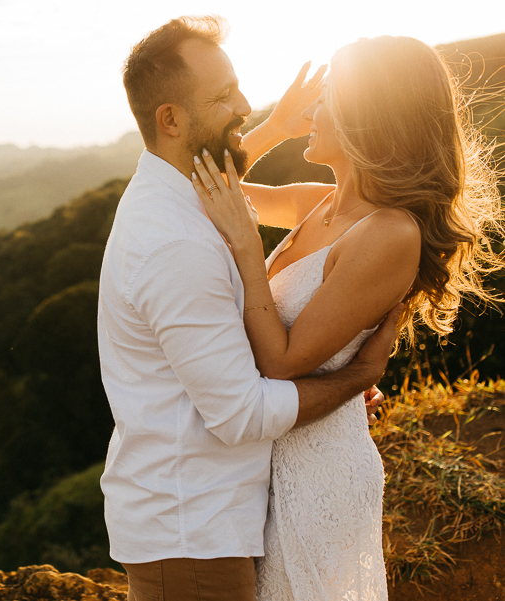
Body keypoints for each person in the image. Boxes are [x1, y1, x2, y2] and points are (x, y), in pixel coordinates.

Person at [98, 16, 403, 601]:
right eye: (222, 97)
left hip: (218, 517)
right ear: (170, 119)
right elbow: (241, 413)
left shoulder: (172, 199)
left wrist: (272, 129)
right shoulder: (175, 243)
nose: (243, 104)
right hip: (192, 531)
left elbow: (216, 183)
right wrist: (355, 377)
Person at [191, 35, 502, 600]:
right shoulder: (321, 202)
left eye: (327, 98)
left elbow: (282, 362)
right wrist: (275, 126)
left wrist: (244, 247)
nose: (312, 112)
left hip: (317, 477)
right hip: (271, 457)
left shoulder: (391, 231)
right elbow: (202, 188)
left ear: (368, 114)